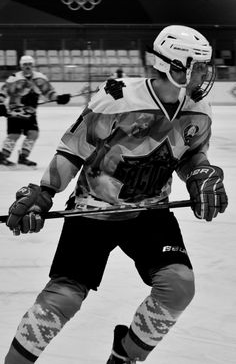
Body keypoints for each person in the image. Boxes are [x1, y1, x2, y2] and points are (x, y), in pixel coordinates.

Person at [4, 25, 228, 364]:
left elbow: (189, 155)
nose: (204, 75)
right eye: (196, 66)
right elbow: (72, 151)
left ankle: (124, 356)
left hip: (151, 211)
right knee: (64, 297)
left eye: (205, 67)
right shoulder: (117, 99)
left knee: (179, 285)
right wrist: (45, 191)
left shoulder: (199, 109)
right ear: (171, 65)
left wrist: (199, 173)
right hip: (92, 210)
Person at [0, 55, 70, 167]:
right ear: (21, 66)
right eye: (25, 64)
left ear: (32, 65)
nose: (27, 67)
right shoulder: (14, 78)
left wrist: (58, 98)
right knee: (14, 134)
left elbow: (49, 92)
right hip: (15, 111)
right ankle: (2, 157)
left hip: (30, 112)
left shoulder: (40, 78)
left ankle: (23, 157)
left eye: (29, 64)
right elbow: (3, 92)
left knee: (33, 133)